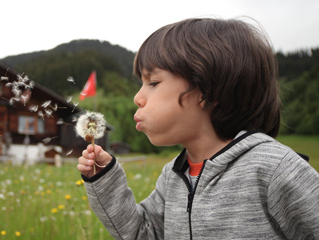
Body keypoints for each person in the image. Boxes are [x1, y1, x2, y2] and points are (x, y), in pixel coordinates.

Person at [77, 17, 319, 239]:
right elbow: (141, 233)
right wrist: (104, 179)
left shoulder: (273, 169)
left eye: (153, 82)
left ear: (207, 91)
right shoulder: (173, 175)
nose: (137, 98)